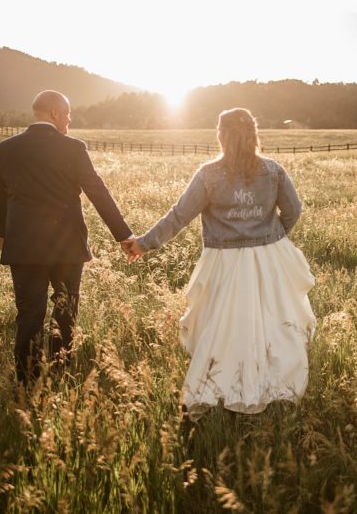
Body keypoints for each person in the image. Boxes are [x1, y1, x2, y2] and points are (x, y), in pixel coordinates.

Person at [124, 108, 316, 417]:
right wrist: (273, 236)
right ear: (254, 135)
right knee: (270, 322)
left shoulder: (209, 174)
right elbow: (293, 209)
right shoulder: (272, 170)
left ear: (222, 135)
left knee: (224, 324)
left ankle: (222, 382)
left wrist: (144, 244)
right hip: (268, 255)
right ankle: (273, 381)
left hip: (224, 260)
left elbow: (179, 216)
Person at [0, 90, 134, 387]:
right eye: (67, 113)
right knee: (65, 312)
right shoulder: (73, 148)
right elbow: (97, 191)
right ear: (55, 112)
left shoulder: (7, 148)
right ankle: (61, 377)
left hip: (23, 245)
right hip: (66, 246)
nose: (69, 119)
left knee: (29, 315)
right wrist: (123, 235)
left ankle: (26, 384)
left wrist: (3, 234)